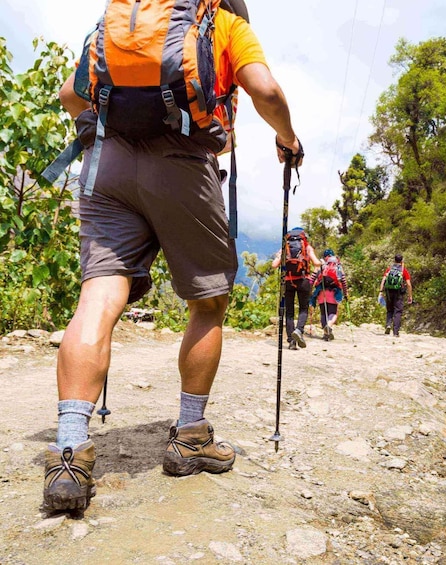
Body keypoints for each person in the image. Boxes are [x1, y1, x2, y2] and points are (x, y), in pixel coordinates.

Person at [43, 2, 303, 513]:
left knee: (98, 296)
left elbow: (72, 95)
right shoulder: (223, 24)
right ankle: (189, 436)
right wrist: (287, 138)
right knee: (207, 302)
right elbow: (266, 91)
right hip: (183, 164)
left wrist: (113, 134)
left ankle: (68, 451)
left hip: (107, 166)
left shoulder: (121, 21)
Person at [271, 228, 321, 350]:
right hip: (303, 281)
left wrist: (278, 256)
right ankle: (299, 330)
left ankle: (291, 341)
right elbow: (316, 263)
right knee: (303, 309)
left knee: (289, 312)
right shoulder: (307, 247)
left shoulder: (285, 248)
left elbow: (274, 265)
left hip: (288, 281)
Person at [308, 249, 349, 341]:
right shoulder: (338, 265)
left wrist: (309, 291)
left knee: (323, 313)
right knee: (333, 313)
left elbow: (312, 278)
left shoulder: (321, 265)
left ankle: (326, 334)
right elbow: (343, 281)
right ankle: (329, 325)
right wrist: (346, 293)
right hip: (334, 292)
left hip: (321, 292)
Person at [378, 254, 412, 337]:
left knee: (389, 309)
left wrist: (381, 291)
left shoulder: (390, 269)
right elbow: (408, 284)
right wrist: (410, 295)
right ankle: (395, 332)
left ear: (394, 260)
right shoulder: (403, 270)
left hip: (389, 291)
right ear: (402, 260)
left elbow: (383, 280)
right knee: (398, 311)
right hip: (398, 292)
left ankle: (388, 324)